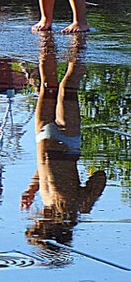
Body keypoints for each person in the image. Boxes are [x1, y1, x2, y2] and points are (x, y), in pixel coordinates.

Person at [21, 40, 106, 247]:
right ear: (50, 228)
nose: (36, 219)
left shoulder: (48, 202)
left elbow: (45, 170)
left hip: (43, 137)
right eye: (38, 225)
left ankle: (46, 43)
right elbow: (100, 177)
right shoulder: (76, 206)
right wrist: (89, 199)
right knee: (67, 88)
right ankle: (79, 45)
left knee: (48, 87)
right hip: (67, 140)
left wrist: (32, 189)